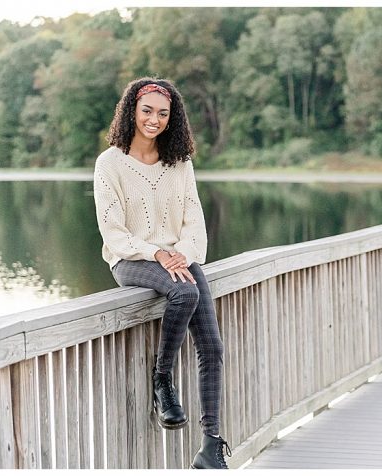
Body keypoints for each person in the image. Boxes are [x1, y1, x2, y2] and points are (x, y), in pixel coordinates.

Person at [93, 78, 230, 469]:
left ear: (173, 118)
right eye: (147, 111)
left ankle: (211, 445)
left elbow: (194, 223)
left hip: (178, 259)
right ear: (132, 112)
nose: (154, 119)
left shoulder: (179, 163)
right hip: (131, 259)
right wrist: (155, 252)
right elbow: (113, 230)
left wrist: (180, 255)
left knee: (213, 347)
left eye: (163, 113)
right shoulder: (110, 163)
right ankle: (162, 380)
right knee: (185, 295)